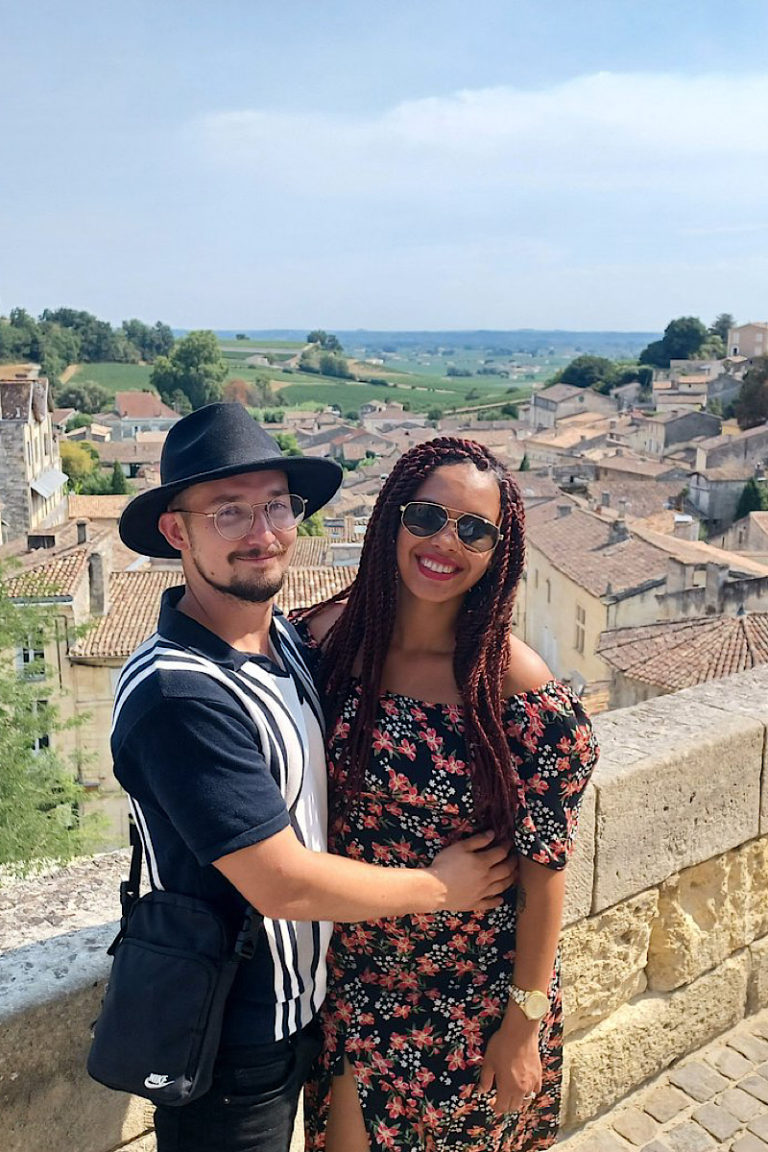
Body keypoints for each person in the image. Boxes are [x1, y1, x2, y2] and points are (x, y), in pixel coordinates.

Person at [112, 404, 514, 1152]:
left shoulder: (287, 642)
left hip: (315, 1012)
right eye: (228, 512)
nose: (262, 534)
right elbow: (280, 882)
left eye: (276, 505)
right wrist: (440, 889)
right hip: (231, 1038)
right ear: (177, 532)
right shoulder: (178, 693)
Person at [294, 436, 599, 1152]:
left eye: (473, 530)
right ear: (392, 521)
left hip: (471, 998)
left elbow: (544, 870)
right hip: (351, 979)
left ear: (500, 550)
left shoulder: (514, 689)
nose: (445, 542)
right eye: (427, 517)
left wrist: (522, 1025)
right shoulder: (326, 645)